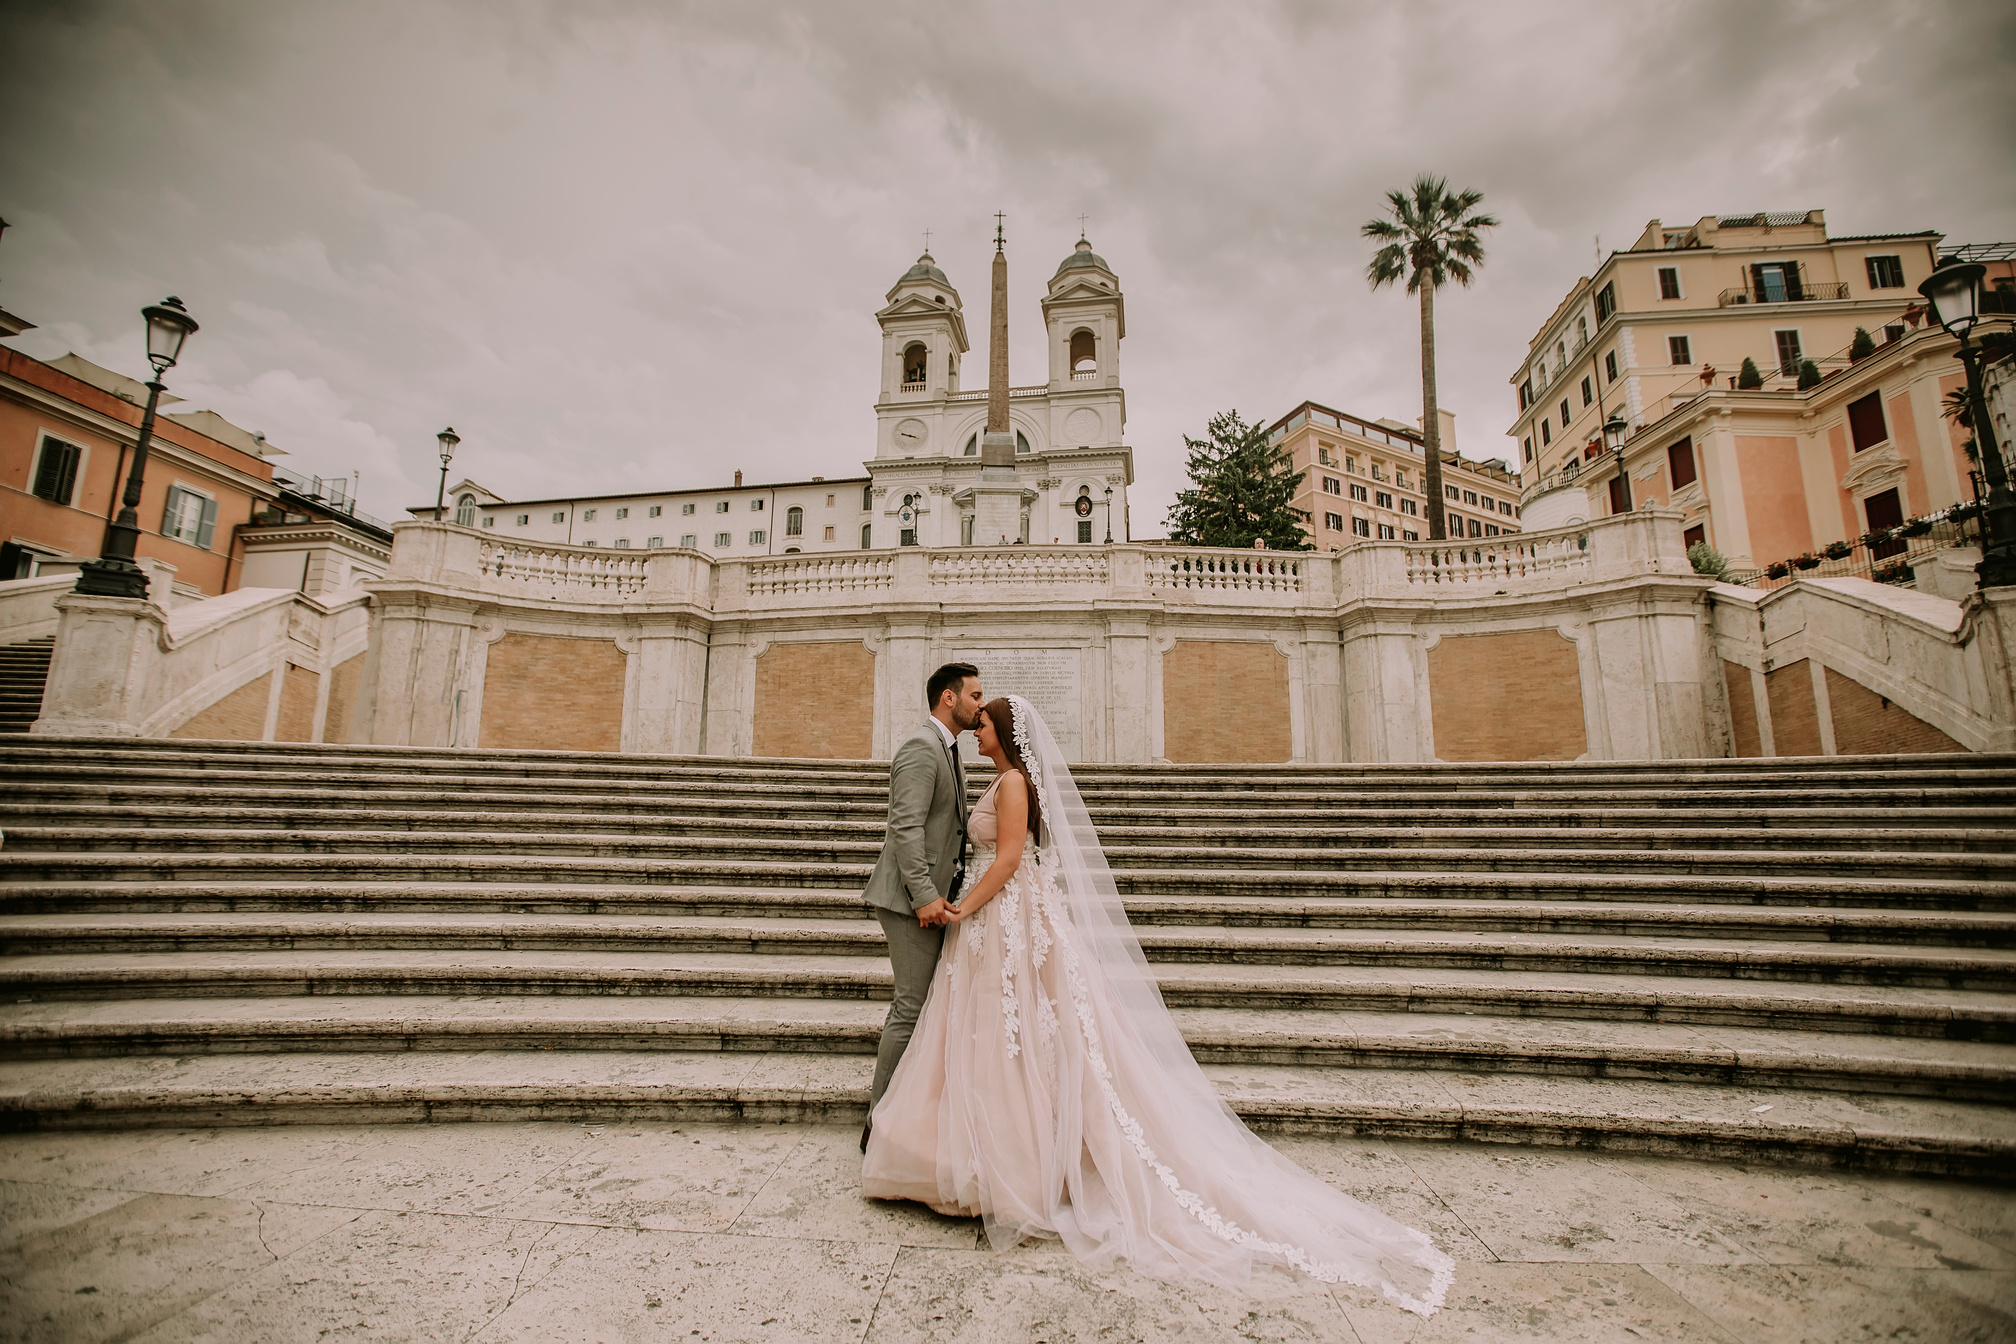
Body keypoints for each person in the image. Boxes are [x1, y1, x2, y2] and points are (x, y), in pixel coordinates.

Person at [862, 694, 1454, 1317]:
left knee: (1017, 1038)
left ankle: (1009, 1164)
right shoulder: (1008, 777)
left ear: (1003, 733)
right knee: (1006, 1039)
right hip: (1000, 925)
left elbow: (1008, 859)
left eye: (982, 724)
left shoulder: (1011, 782)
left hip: (1004, 919)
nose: (975, 730)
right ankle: (984, 1154)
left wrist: (963, 908)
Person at [859, 661, 985, 1154]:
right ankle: (878, 1123)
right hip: (911, 901)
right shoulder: (920, 747)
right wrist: (925, 896)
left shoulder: (948, 748)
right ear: (949, 699)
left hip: (934, 897)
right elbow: (904, 827)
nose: (981, 703)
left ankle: (906, 1117)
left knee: (922, 1008)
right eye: (974, 695)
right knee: (909, 1009)